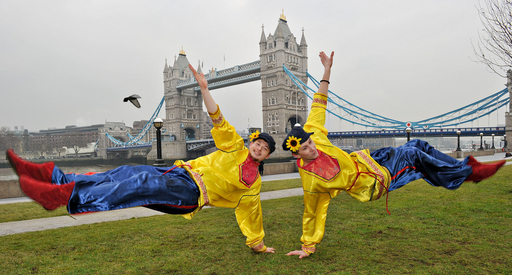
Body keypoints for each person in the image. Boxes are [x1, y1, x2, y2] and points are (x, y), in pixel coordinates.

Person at [6, 63, 276, 254]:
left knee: (139, 184)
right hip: (179, 174)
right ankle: (56, 178)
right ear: (251, 142)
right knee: (126, 171)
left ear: (266, 156)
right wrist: (204, 89)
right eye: (259, 143)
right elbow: (218, 118)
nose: (260, 148)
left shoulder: (252, 185)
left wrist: (258, 244)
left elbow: (252, 215)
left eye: (265, 148)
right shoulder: (233, 146)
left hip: (189, 196)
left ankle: (63, 197)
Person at [284, 51, 506, 259]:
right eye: (305, 148)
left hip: (369, 158)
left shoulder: (314, 133)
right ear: (297, 156)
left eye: (310, 142)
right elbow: (312, 213)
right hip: (371, 182)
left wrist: (327, 70)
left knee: (418, 143)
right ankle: (469, 173)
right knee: (413, 155)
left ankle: (466, 165)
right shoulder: (312, 181)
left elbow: (319, 103)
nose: (312, 148)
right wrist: (307, 246)